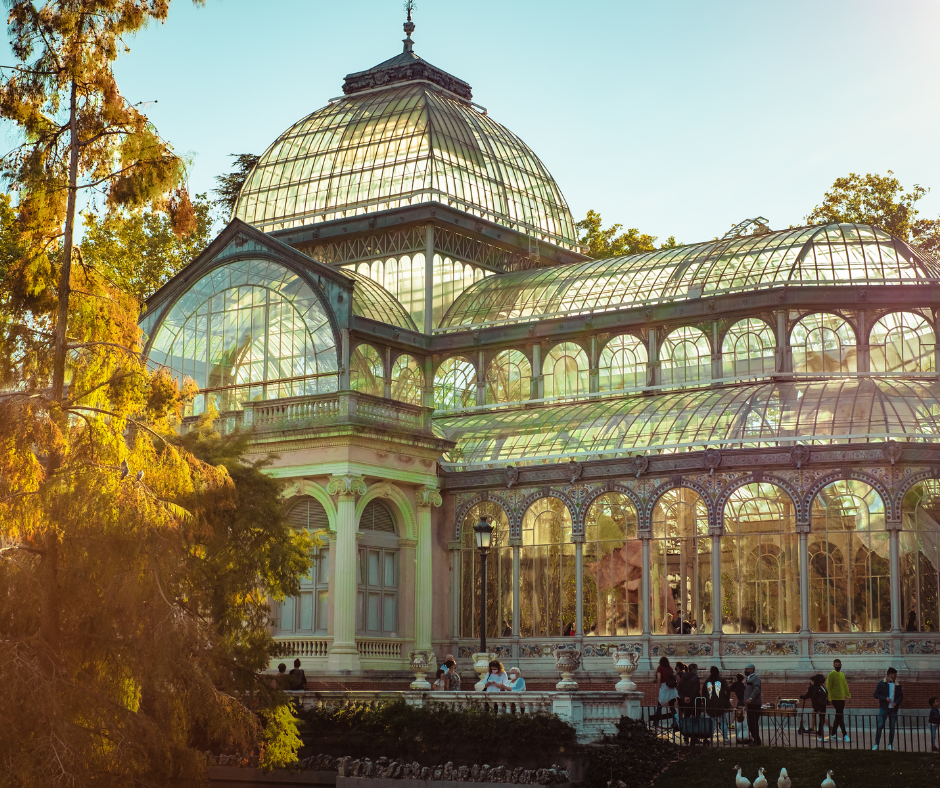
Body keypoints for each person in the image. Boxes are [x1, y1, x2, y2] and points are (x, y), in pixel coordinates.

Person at [873, 667, 903, 750]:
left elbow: (901, 696)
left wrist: (896, 703)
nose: (896, 676)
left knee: (892, 727)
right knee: (880, 726)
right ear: (890, 675)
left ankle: (890, 744)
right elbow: (875, 694)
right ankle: (876, 744)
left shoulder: (897, 685)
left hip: (893, 709)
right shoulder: (881, 683)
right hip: (884, 708)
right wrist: (885, 698)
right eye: (894, 675)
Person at [703, 666, 731, 741]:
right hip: (721, 703)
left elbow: (704, 693)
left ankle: (711, 737)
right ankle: (725, 738)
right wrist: (726, 699)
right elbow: (728, 690)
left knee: (711, 722)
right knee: (723, 721)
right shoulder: (721, 680)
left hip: (710, 704)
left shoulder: (707, 681)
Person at [826, 658, 851, 742]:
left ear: (841, 665)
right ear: (833, 666)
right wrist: (829, 698)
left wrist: (848, 695)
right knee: (840, 715)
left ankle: (833, 734)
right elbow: (828, 687)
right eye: (836, 665)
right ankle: (845, 734)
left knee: (838, 716)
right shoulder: (831, 674)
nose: (837, 667)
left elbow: (845, 685)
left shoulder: (842, 675)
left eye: (838, 665)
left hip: (842, 698)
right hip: (835, 698)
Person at [800, 673, 829, 741]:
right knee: (821, 719)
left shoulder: (822, 687)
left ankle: (822, 731)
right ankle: (819, 734)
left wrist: (826, 702)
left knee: (822, 719)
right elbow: (814, 698)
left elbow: (824, 695)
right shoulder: (816, 688)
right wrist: (816, 708)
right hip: (819, 706)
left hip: (822, 706)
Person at [655, 657, 680, 729]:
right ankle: (676, 723)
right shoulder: (670, 668)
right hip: (671, 688)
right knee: (672, 707)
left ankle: (656, 722)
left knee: (659, 706)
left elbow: (659, 678)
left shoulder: (660, 668)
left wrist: (659, 686)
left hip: (664, 686)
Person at [743, 663, 762, 745]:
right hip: (749, 704)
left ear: (751, 669)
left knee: (753, 722)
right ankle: (755, 739)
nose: (745, 671)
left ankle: (757, 740)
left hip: (754, 704)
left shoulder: (755, 678)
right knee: (750, 723)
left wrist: (751, 698)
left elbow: (757, 689)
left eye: (746, 669)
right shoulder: (748, 678)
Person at [729, 672, 748, 740]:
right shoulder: (742, 684)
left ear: (737, 678)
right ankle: (741, 725)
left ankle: (731, 725)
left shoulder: (735, 684)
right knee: (741, 713)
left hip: (740, 701)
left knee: (736, 712)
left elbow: (729, 689)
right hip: (743, 701)